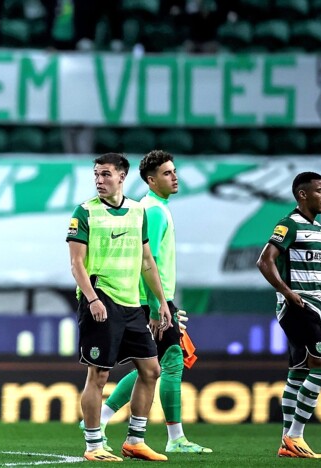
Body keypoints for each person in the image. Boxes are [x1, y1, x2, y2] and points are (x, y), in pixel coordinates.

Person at [94, 151, 211, 454]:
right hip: (152, 300)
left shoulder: (148, 208)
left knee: (152, 367)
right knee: (170, 361)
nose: (175, 177)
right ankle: (175, 438)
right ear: (151, 179)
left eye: (174, 172)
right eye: (167, 173)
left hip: (152, 298)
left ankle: (104, 418)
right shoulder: (155, 211)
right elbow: (151, 259)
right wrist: (159, 305)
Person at [66, 153, 172, 462]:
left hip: (131, 304)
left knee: (151, 370)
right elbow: (76, 264)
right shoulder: (84, 212)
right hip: (101, 299)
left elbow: (147, 261)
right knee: (98, 376)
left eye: (106, 175)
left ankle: (135, 441)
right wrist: (92, 299)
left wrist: (160, 302)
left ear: (122, 177)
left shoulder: (138, 211)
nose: (99, 180)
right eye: (96, 175)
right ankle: (93, 445)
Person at [256, 172, 321, 459]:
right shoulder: (289, 225)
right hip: (299, 307)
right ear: (302, 195)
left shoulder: (319, 230)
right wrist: (288, 293)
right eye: (319, 191)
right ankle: (295, 436)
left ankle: (286, 443)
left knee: (299, 371)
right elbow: (265, 260)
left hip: (311, 306)